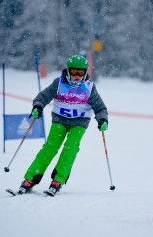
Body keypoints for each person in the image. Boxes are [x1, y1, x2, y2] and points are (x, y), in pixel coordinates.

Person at [17, 54, 108, 196]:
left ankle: (58, 180)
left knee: (70, 148)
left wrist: (102, 119)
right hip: (60, 121)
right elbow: (43, 96)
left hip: (79, 123)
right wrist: (38, 106)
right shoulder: (59, 83)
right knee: (50, 147)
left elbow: (100, 108)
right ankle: (31, 178)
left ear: (86, 72)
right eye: (73, 72)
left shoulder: (89, 87)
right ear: (68, 70)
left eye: (80, 72)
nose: (77, 76)